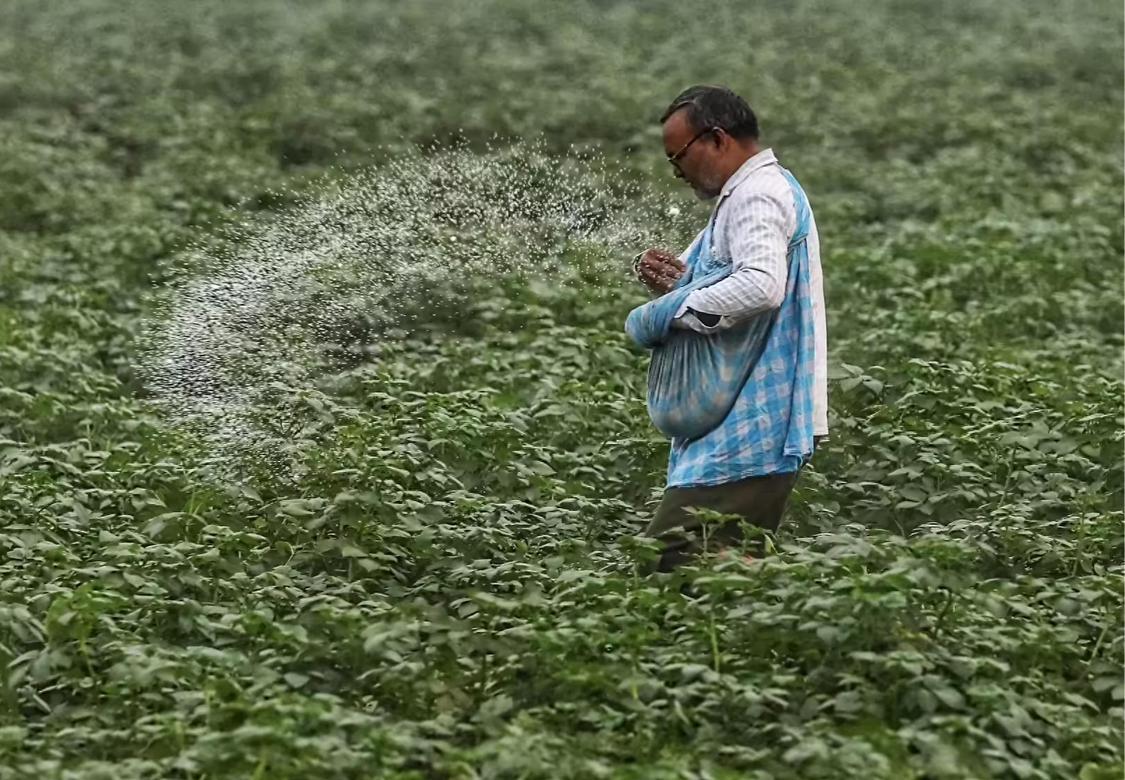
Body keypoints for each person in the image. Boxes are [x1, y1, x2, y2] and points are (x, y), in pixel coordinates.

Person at [631, 85, 828, 573]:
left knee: (669, 565)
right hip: (738, 423)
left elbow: (761, 285)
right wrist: (680, 284)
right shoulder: (748, 193)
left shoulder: (757, 195)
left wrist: (672, 311)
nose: (677, 173)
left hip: (751, 428)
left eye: (679, 157)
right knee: (723, 572)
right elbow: (732, 281)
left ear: (716, 139)